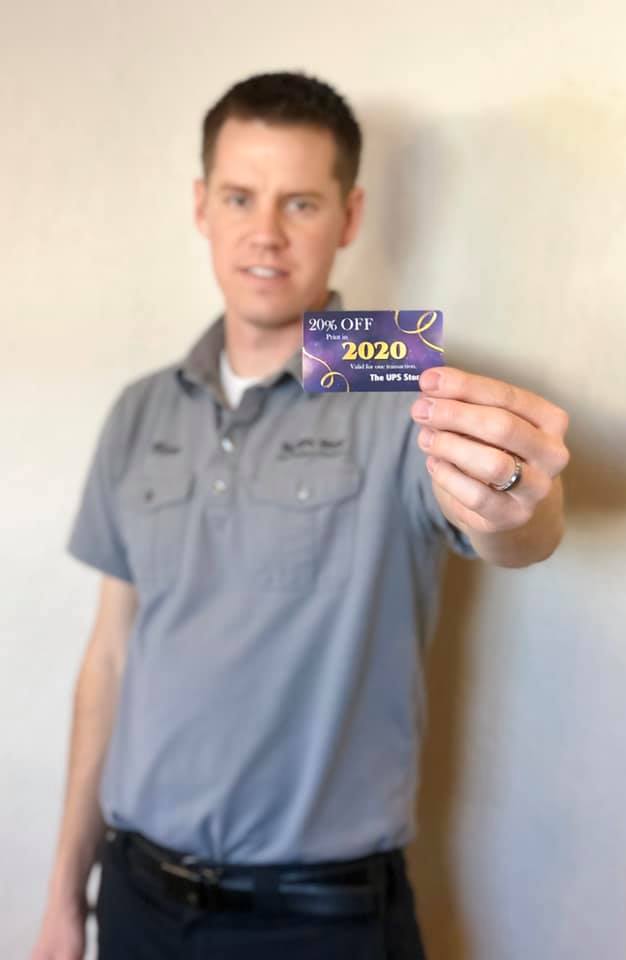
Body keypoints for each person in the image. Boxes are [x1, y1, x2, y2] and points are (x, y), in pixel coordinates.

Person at [31, 71, 569, 960]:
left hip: (323, 923)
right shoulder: (140, 410)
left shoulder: (405, 391)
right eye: (240, 197)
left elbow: (514, 534)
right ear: (201, 205)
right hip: (136, 902)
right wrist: (64, 894)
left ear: (349, 217)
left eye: (302, 204)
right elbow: (110, 658)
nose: (266, 234)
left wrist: (517, 504)